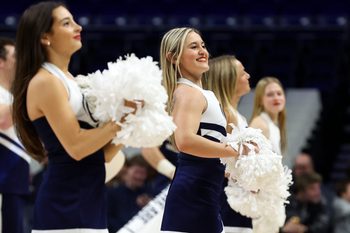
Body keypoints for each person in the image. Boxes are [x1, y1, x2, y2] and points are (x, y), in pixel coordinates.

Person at [12, 2, 132, 232]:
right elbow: (76, 147)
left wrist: (132, 122)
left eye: (74, 20)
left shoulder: (69, 79)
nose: (78, 27)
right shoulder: (45, 81)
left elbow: (102, 155)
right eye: (66, 23)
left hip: (91, 203)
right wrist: (120, 121)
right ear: (45, 37)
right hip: (65, 207)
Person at [159, 27, 240, 233]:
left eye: (203, 45)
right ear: (173, 57)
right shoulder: (188, 93)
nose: (203, 51)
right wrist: (234, 150)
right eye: (194, 47)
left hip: (203, 192)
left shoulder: (199, 93)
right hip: (193, 194)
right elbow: (184, 141)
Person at [203, 55, 253, 233]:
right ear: (228, 79)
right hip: (225, 199)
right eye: (242, 73)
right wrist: (246, 178)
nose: (248, 75)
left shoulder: (236, 114)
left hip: (239, 198)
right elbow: (211, 158)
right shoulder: (222, 114)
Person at [0, 37, 31, 233]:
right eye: (15, 56)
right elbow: (2, 120)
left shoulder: (11, 96)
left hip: (14, 181)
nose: (20, 61)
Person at [107, 155, 153, 232]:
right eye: (137, 172)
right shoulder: (112, 192)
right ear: (127, 170)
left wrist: (149, 204)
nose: (139, 177)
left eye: (143, 173)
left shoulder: (148, 191)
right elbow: (108, 219)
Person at [250, 77, 287, 156]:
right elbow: (250, 163)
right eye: (270, 95)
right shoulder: (260, 124)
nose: (276, 98)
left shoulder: (272, 125)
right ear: (260, 100)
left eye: (279, 93)